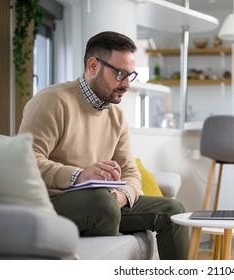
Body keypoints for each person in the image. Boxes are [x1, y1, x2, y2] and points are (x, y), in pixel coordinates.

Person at [18, 31, 189, 260]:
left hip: (104, 204)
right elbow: (26, 161)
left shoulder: (117, 117)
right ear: (93, 65)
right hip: (49, 203)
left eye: (131, 75)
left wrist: (122, 196)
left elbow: (131, 172)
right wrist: (80, 176)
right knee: (102, 202)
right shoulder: (52, 101)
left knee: (173, 210)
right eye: (120, 74)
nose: (127, 84)